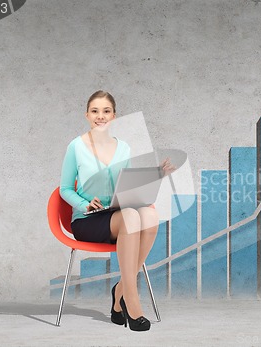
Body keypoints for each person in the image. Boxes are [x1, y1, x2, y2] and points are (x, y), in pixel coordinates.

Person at [60, 90, 175, 331]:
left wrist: (156, 175)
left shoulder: (123, 147)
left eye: (106, 111)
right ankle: (131, 302)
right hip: (88, 219)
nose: (100, 116)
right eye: (95, 111)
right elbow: (64, 189)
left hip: (116, 213)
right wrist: (84, 204)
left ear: (114, 115)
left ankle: (120, 291)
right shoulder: (76, 146)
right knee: (132, 218)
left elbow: (127, 185)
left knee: (150, 215)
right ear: (87, 115)